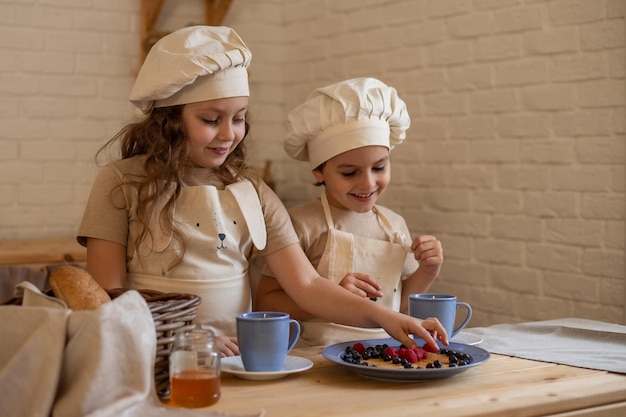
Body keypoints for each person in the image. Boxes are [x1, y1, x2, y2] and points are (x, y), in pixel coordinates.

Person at [77, 26, 447, 356]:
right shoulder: (121, 182)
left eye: (238, 118)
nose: (228, 134)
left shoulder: (251, 188)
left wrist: (386, 318)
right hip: (152, 351)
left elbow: (306, 285)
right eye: (211, 119)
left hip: (241, 354)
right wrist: (183, 336)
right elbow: (107, 296)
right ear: (169, 120)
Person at [255, 78, 443, 346]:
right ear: (318, 171)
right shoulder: (301, 223)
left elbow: (396, 304)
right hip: (317, 357)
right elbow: (266, 301)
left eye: (379, 168)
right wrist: (330, 297)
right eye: (349, 172)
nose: (367, 183)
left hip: (381, 352)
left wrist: (428, 270)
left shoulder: (394, 224)